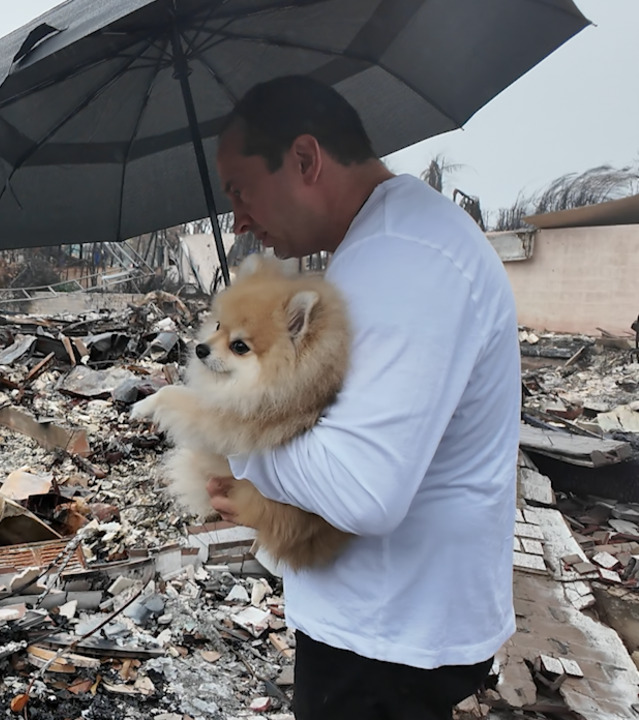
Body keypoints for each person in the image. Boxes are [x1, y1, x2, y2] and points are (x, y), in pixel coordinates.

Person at [208, 76, 519, 719]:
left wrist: (231, 434)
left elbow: (362, 488)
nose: (236, 219)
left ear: (303, 160)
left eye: (240, 191)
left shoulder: (401, 257)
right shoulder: (388, 242)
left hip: (387, 643)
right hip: (390, 626)